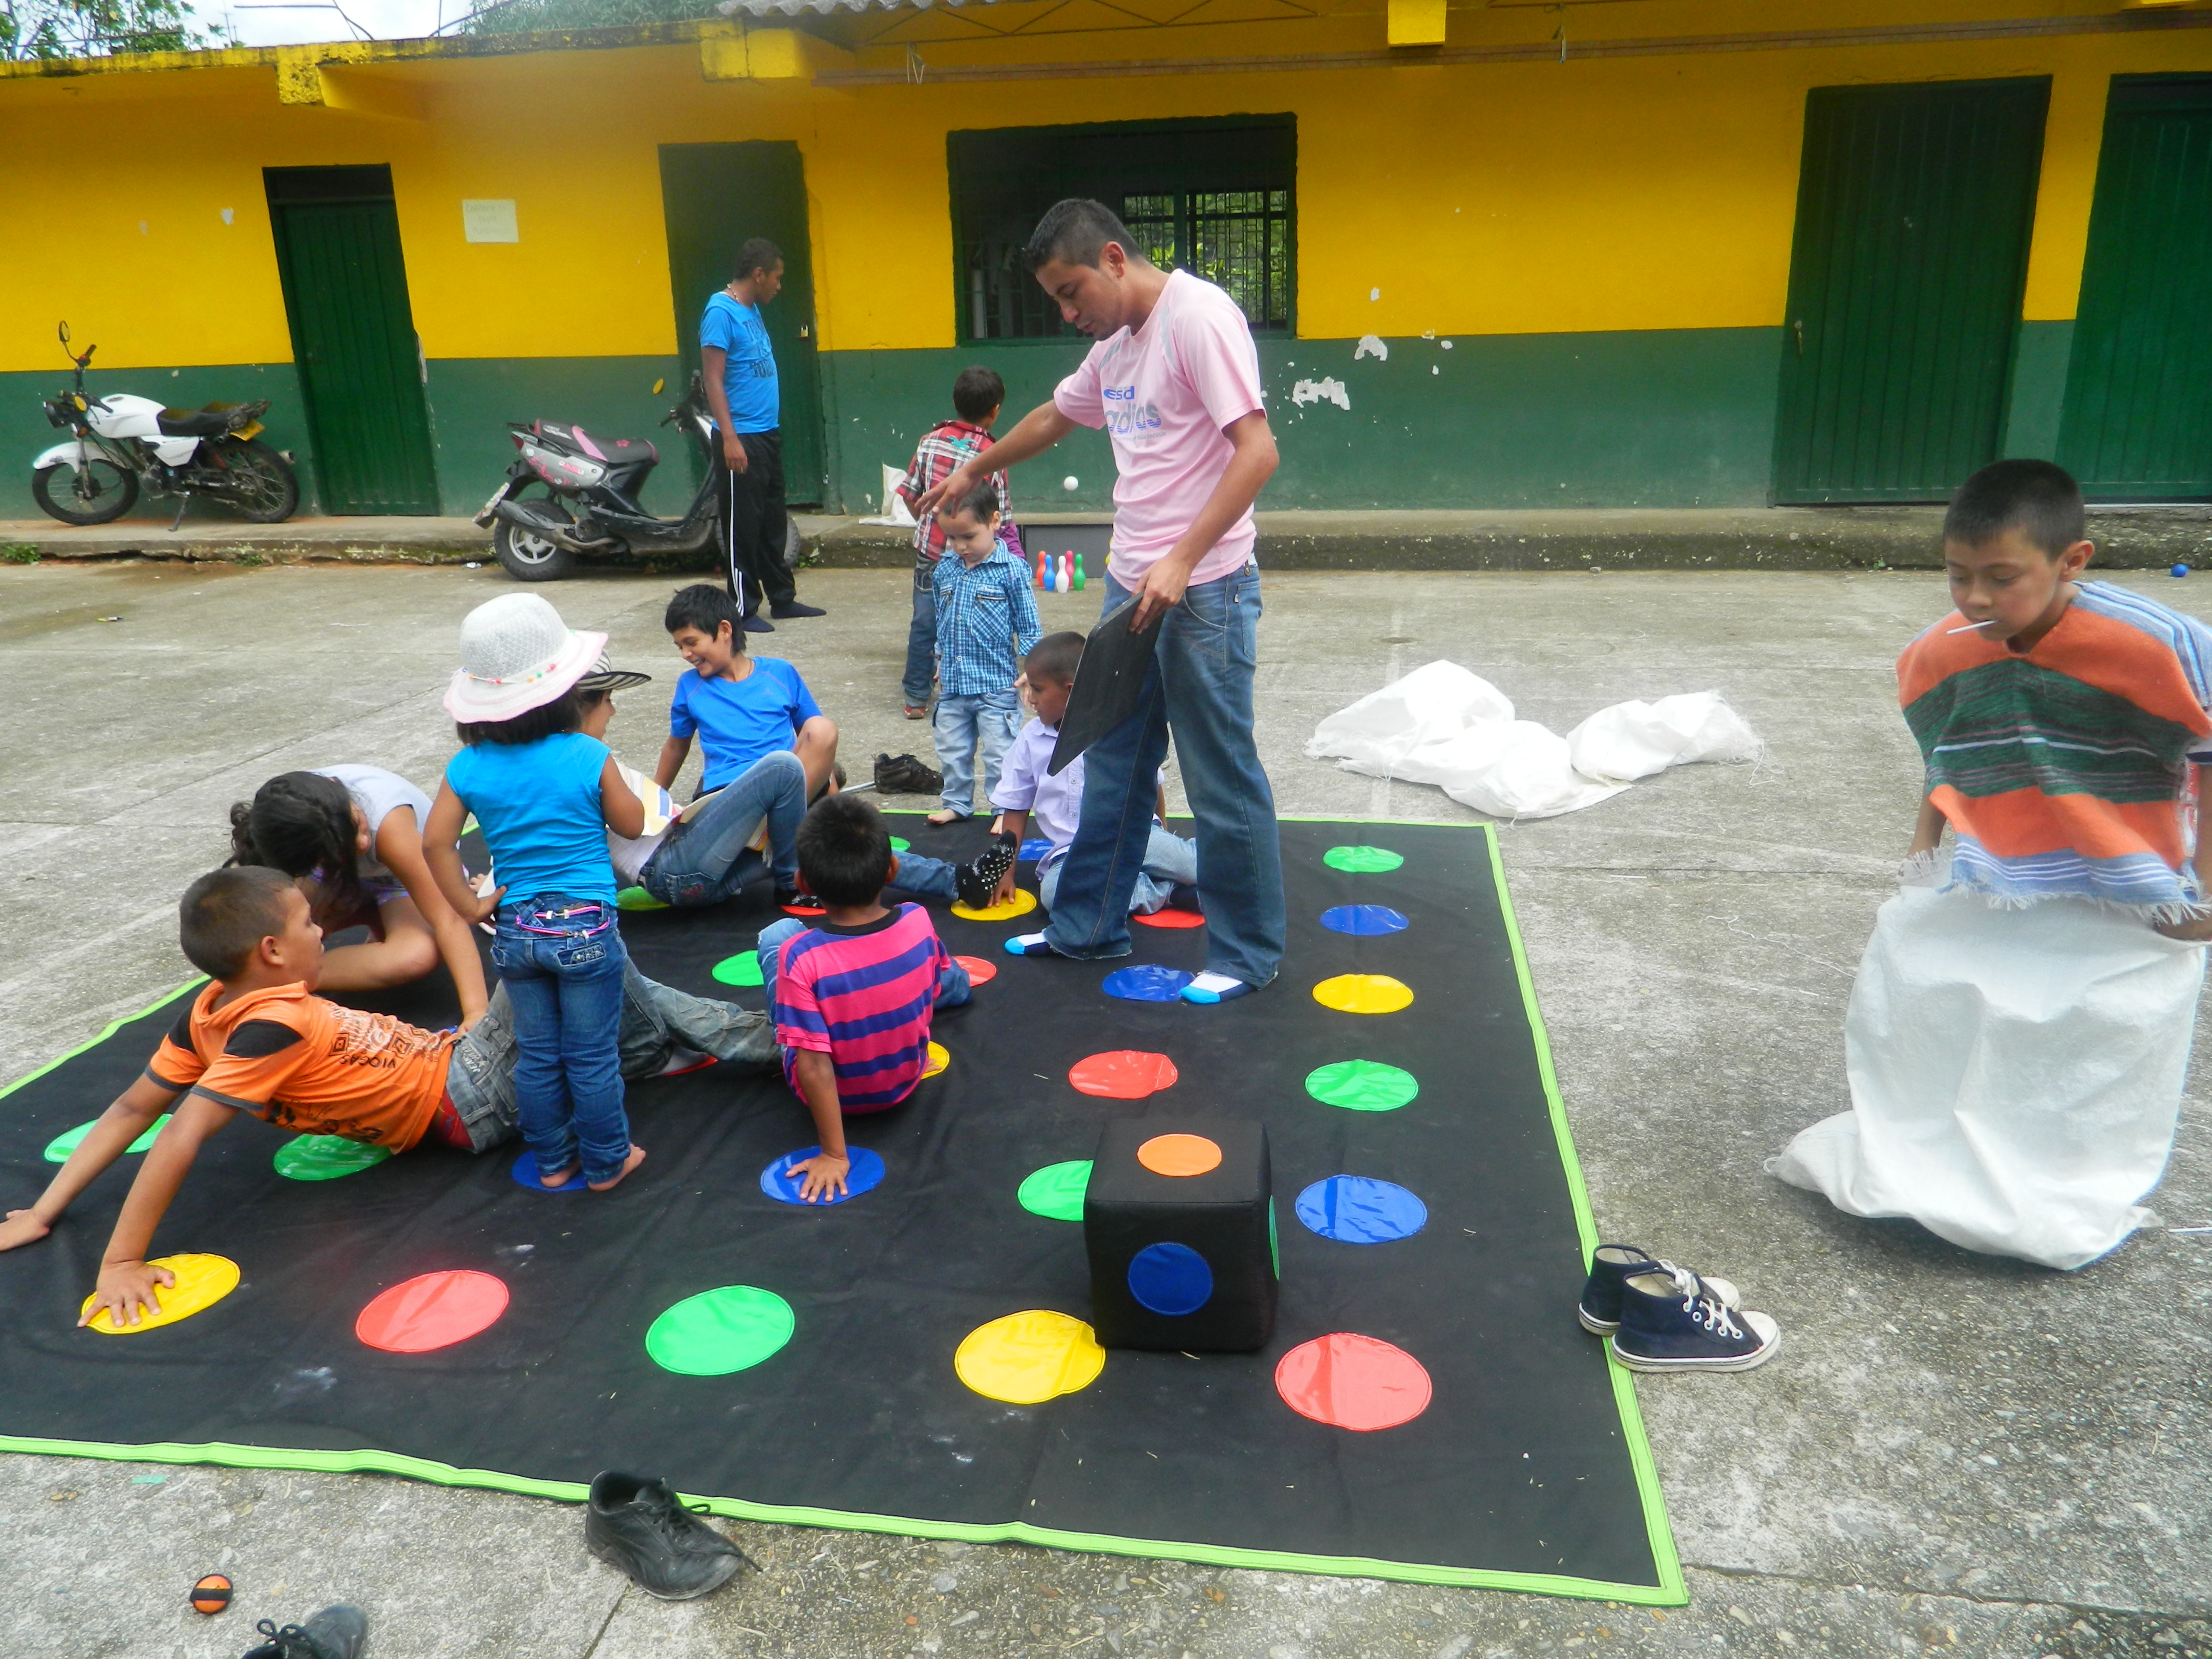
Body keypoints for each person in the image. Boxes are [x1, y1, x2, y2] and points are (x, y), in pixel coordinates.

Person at [1771, 459, 2212, 1271]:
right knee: (1926, 991)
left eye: (2001, 578)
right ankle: (1933, 1164)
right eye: (1958, 575)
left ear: (2072, 561)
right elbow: (1950, 753)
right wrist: (1923, 852)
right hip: (2000, 866)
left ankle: (2057, 1188)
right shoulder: (1944, 651)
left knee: (2096, 1034)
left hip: (2135, 877)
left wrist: (2204, 891)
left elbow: (2210, 757)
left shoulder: (2168, 646)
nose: (1975, 599)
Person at [0, 865, 774, 1325]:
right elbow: (170, 1132)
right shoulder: (266, 1026)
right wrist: (122, 1260)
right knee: (576, 934)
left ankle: (635, 1049)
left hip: (460, 1067)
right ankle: (763, 1040)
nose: (323, 934)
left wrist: (43, 1211)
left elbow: (134, 1107)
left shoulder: (210, 1009)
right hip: (468, 1095)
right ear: (272, 951)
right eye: (309, 924)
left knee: (584, 968)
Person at [919, 198, 1283, 1006]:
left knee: (1219, 774)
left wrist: (1183, 559)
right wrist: (976, 469)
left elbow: (1257, 452)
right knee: (1111, 761)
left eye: (1071, 290)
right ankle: (1087, 928)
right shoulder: (1115, 344)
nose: (1068, 310)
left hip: (1206, 586)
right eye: (1056, 297)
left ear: (1115, 259)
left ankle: (1246, 954)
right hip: (1131, 584)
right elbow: (1056, 415)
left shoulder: (1198, 319)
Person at [421, 593, 650, 1194]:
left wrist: (471, 908)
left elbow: (435, 844)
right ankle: (607, 1162)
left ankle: (553, 1162)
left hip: (518, 932)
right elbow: (630, 825)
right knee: (592, 1056)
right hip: (587, 932)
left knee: (541, 1056)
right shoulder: (587, 754)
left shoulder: (467, 766)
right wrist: (608, 774)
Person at [755, 795, 970, 1202]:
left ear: (803, 883)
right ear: (892, 869)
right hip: (906, 1077)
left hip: (842, 1095)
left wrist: (836, 1154)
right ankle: (935, 985)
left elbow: (815, 1067)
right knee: (944, 976)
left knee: (776, 935)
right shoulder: (918, 919)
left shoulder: (800, 957)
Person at [227, 766, 490, 1028]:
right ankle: (269, 973)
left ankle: (282, 979)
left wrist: (477, 1012)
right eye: (343, 847)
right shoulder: (291, 828)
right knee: (271, 927)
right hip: (343, 879)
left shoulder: (389, 826)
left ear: (337, 787)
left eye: (358, 826)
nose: (362, 844)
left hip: (401, 883)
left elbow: (449, 920)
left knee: (414, 956)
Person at [988, 631, 1196, 918]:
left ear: (1072, 690)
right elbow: (1016, 807)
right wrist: (1005, 873)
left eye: (1037, 689)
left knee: (1197, 866)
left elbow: (1152, 784)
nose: (1030, 699)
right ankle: (1167, 892)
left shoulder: (1118, 728)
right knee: (1055, 896)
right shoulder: (1030, 739)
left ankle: (1157, 875)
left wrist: (1161, 831)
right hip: (1071, 853)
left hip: (1134, 836)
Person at [654, 583, 839, 891]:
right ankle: (787, 874)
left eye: (691, 642)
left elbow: (814, 741)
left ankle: (779, 832)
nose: (686, 654)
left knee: (822, 729)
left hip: (786, 794)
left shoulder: (780, 673)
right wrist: (652, 800)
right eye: (679, 647)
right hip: (731, 802)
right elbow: (677, 745)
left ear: (724, 630)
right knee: (779, 769)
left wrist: (836, 808)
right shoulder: (690, 686)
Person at [701, 237, 823, 631]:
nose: (779, 285)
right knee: (743, 525)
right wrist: (731, 439)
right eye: (777, 277)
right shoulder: (720, 312)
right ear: (759, 274)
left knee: (773, 520)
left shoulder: (750, 310)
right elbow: (714, 380)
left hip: (767, 433)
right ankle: (741, 609)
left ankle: (782, 599)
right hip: (741, 438)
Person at [895, 365, 1013, 719]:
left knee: (925, 622)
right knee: (968, 621)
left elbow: (909, 494)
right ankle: (964, 688)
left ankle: (916, 698)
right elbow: (1001, 519)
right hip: (972, 560)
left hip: (931, 553)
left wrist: (930, 523)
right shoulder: (994, 454)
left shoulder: (929, 442)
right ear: (995, 410)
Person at [926, 478, 1040, 826]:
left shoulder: (1012, 571)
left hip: (997, 686)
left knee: (1000, 755)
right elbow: (941, 621)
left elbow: (1030, 626)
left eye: (969, 536)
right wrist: (940, 659)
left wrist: (1033, 671)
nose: (960, 546)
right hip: (954, 685)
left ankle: (1004, 810)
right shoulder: (945, 568)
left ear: (994, 521)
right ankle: (957, 803)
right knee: (952, 750)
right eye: (952, 538)